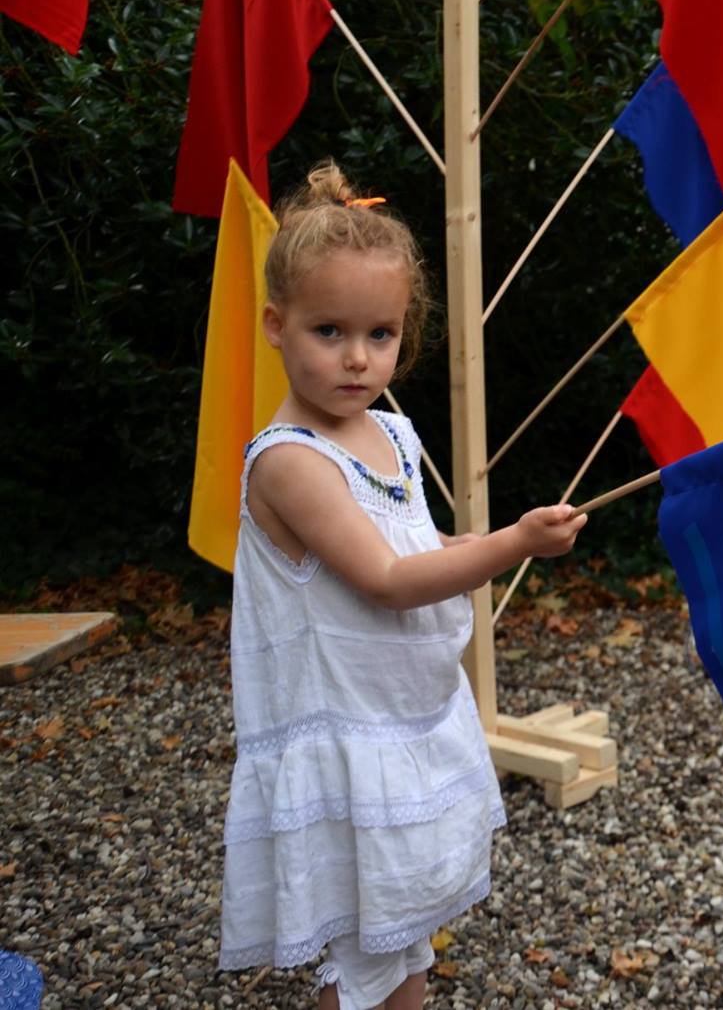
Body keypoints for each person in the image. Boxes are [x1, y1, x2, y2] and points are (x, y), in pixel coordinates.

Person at [217, 162, 586, 1010]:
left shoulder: (387, 428)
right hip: (350, 744)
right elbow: (386, 579)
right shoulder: (291, 463)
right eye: (329, 331)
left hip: (407, 719)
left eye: (379, 335)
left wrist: (464, 542)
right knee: (358, 959)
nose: (357, 358)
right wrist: (508, 544)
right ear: (276, 326)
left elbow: (409, 543)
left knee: (401, 941)